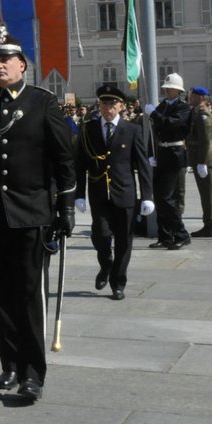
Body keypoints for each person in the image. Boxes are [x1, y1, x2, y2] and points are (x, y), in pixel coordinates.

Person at [0, 28, 75, 402]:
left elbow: (64, 160)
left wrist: (64, 209)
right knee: (2, 293)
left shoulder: (42, 103)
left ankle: (32, 371)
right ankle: (9, 363)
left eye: (5, 60)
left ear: (22, 64)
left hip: (32, 215)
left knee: (30, 296)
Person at [75, 83, 154, 301]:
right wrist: (79, 193)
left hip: (125, 192)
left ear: (121, 106)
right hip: (99, 192)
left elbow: (142, 165)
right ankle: (106, 264)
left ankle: (118, 282)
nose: (107, 108)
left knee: (124, 241)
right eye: (103, 103)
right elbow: (80, 163)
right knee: (100, 235)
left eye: (112, 103)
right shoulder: (88, 129)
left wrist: (147, 196)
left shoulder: (132, 130)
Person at [147, 73, 194, 251]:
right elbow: (154, 132)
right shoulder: (164, 105)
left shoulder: (183, 108)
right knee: (159, 197)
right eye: (166, 88)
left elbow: (169, 124)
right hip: (162, 152)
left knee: (168, 198)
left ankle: (181, 234)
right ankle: (165, 235)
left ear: (178, 90)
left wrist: (154, 114)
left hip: (175, 153)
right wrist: (151, 153)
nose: (166, 90)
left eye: (170, 88)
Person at [187, 86, 212, 237]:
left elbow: (205, 139)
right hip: (199, 156)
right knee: (205, 193)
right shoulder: (196, 111)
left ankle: (211, 224)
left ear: (201, 98)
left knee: (208, 193)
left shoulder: (203, 114)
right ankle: (209, 221)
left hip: (206, 158)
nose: (190, 98)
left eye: (193, 96)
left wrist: (201, 161)